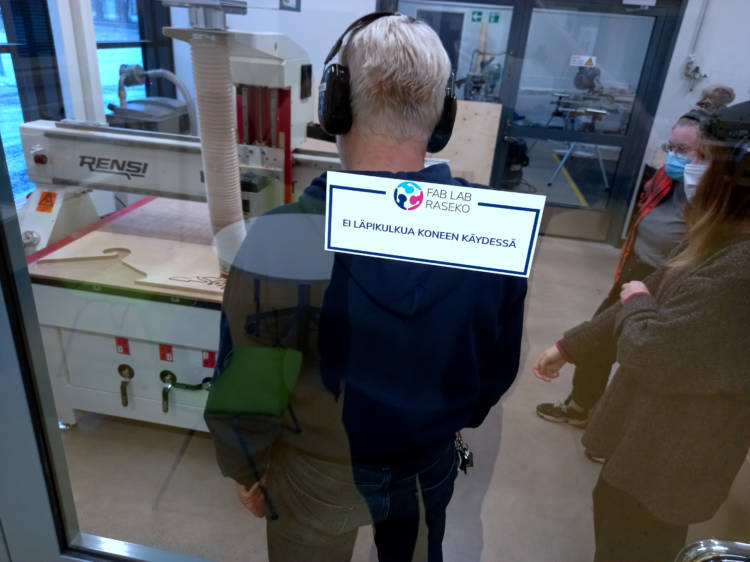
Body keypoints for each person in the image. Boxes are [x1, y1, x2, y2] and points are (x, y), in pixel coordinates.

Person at [214, 12, 527, 562]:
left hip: (317, 469)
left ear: (335, 105)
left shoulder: (282, 237)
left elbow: (250, 390)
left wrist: (247, 465)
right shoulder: (494, 232)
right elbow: (496, 369)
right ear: (442, 118)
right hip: (428, 462)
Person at [533, 100, 750, 562]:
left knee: (634, 533)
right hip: (651, 437)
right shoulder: (722, 238)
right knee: (613, 508)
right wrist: (570, 345)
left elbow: (649, 347)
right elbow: (652, 285)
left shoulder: (740, 268)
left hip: (677, 451)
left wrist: (636, 304)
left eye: (701, 158)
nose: (689, 168)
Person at [535, 86, 735, 436]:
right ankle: (583, 406)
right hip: (639, 268)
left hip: (667, 281)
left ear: (710, 156)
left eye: (686, 151)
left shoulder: (716, 203)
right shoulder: (669, 178)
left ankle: (610, 431)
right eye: (671, 148)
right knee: (603, 338)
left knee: (632, 353)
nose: (675, 157)